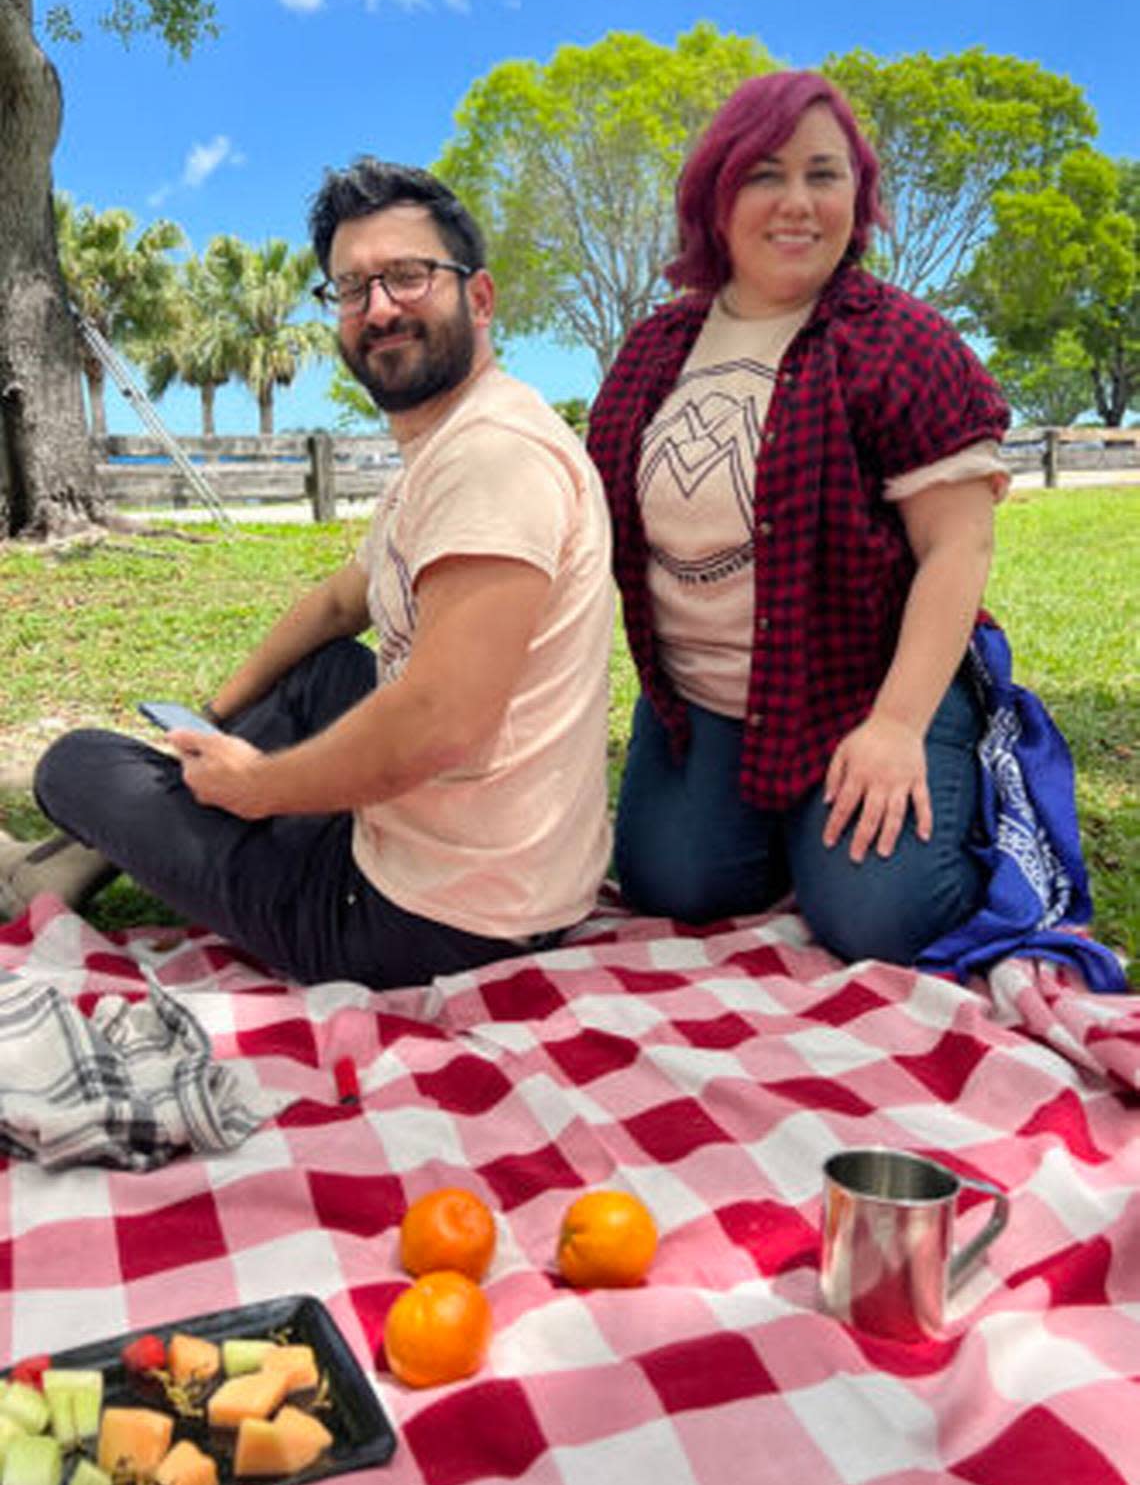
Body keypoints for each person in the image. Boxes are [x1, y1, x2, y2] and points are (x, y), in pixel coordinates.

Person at [3, 162, 614, 988]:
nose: (380, 307)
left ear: (478, 298)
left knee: (74, 763)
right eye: (353, 287)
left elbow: (441, 722)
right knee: (319, 669)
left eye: (407, 276)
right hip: (499, 867)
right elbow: (336, 603)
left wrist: (258, 786)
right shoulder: (449, 445)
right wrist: (216, 717)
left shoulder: (494, 458)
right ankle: (74, 864)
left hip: (432, 924)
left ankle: (69, 859)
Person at [586, 71, 1013, 966]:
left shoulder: (899, 341)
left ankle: (961, 778)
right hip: (702, 703)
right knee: (675, 889)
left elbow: (957, 544)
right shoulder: (656, 348)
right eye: (763, 174)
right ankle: (791, 823)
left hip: (869, 687)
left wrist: (895, 726)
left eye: (824, 175)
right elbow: (589, 520)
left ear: (856, 197)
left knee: (878, 918)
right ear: (716, 194)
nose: (796, 202)